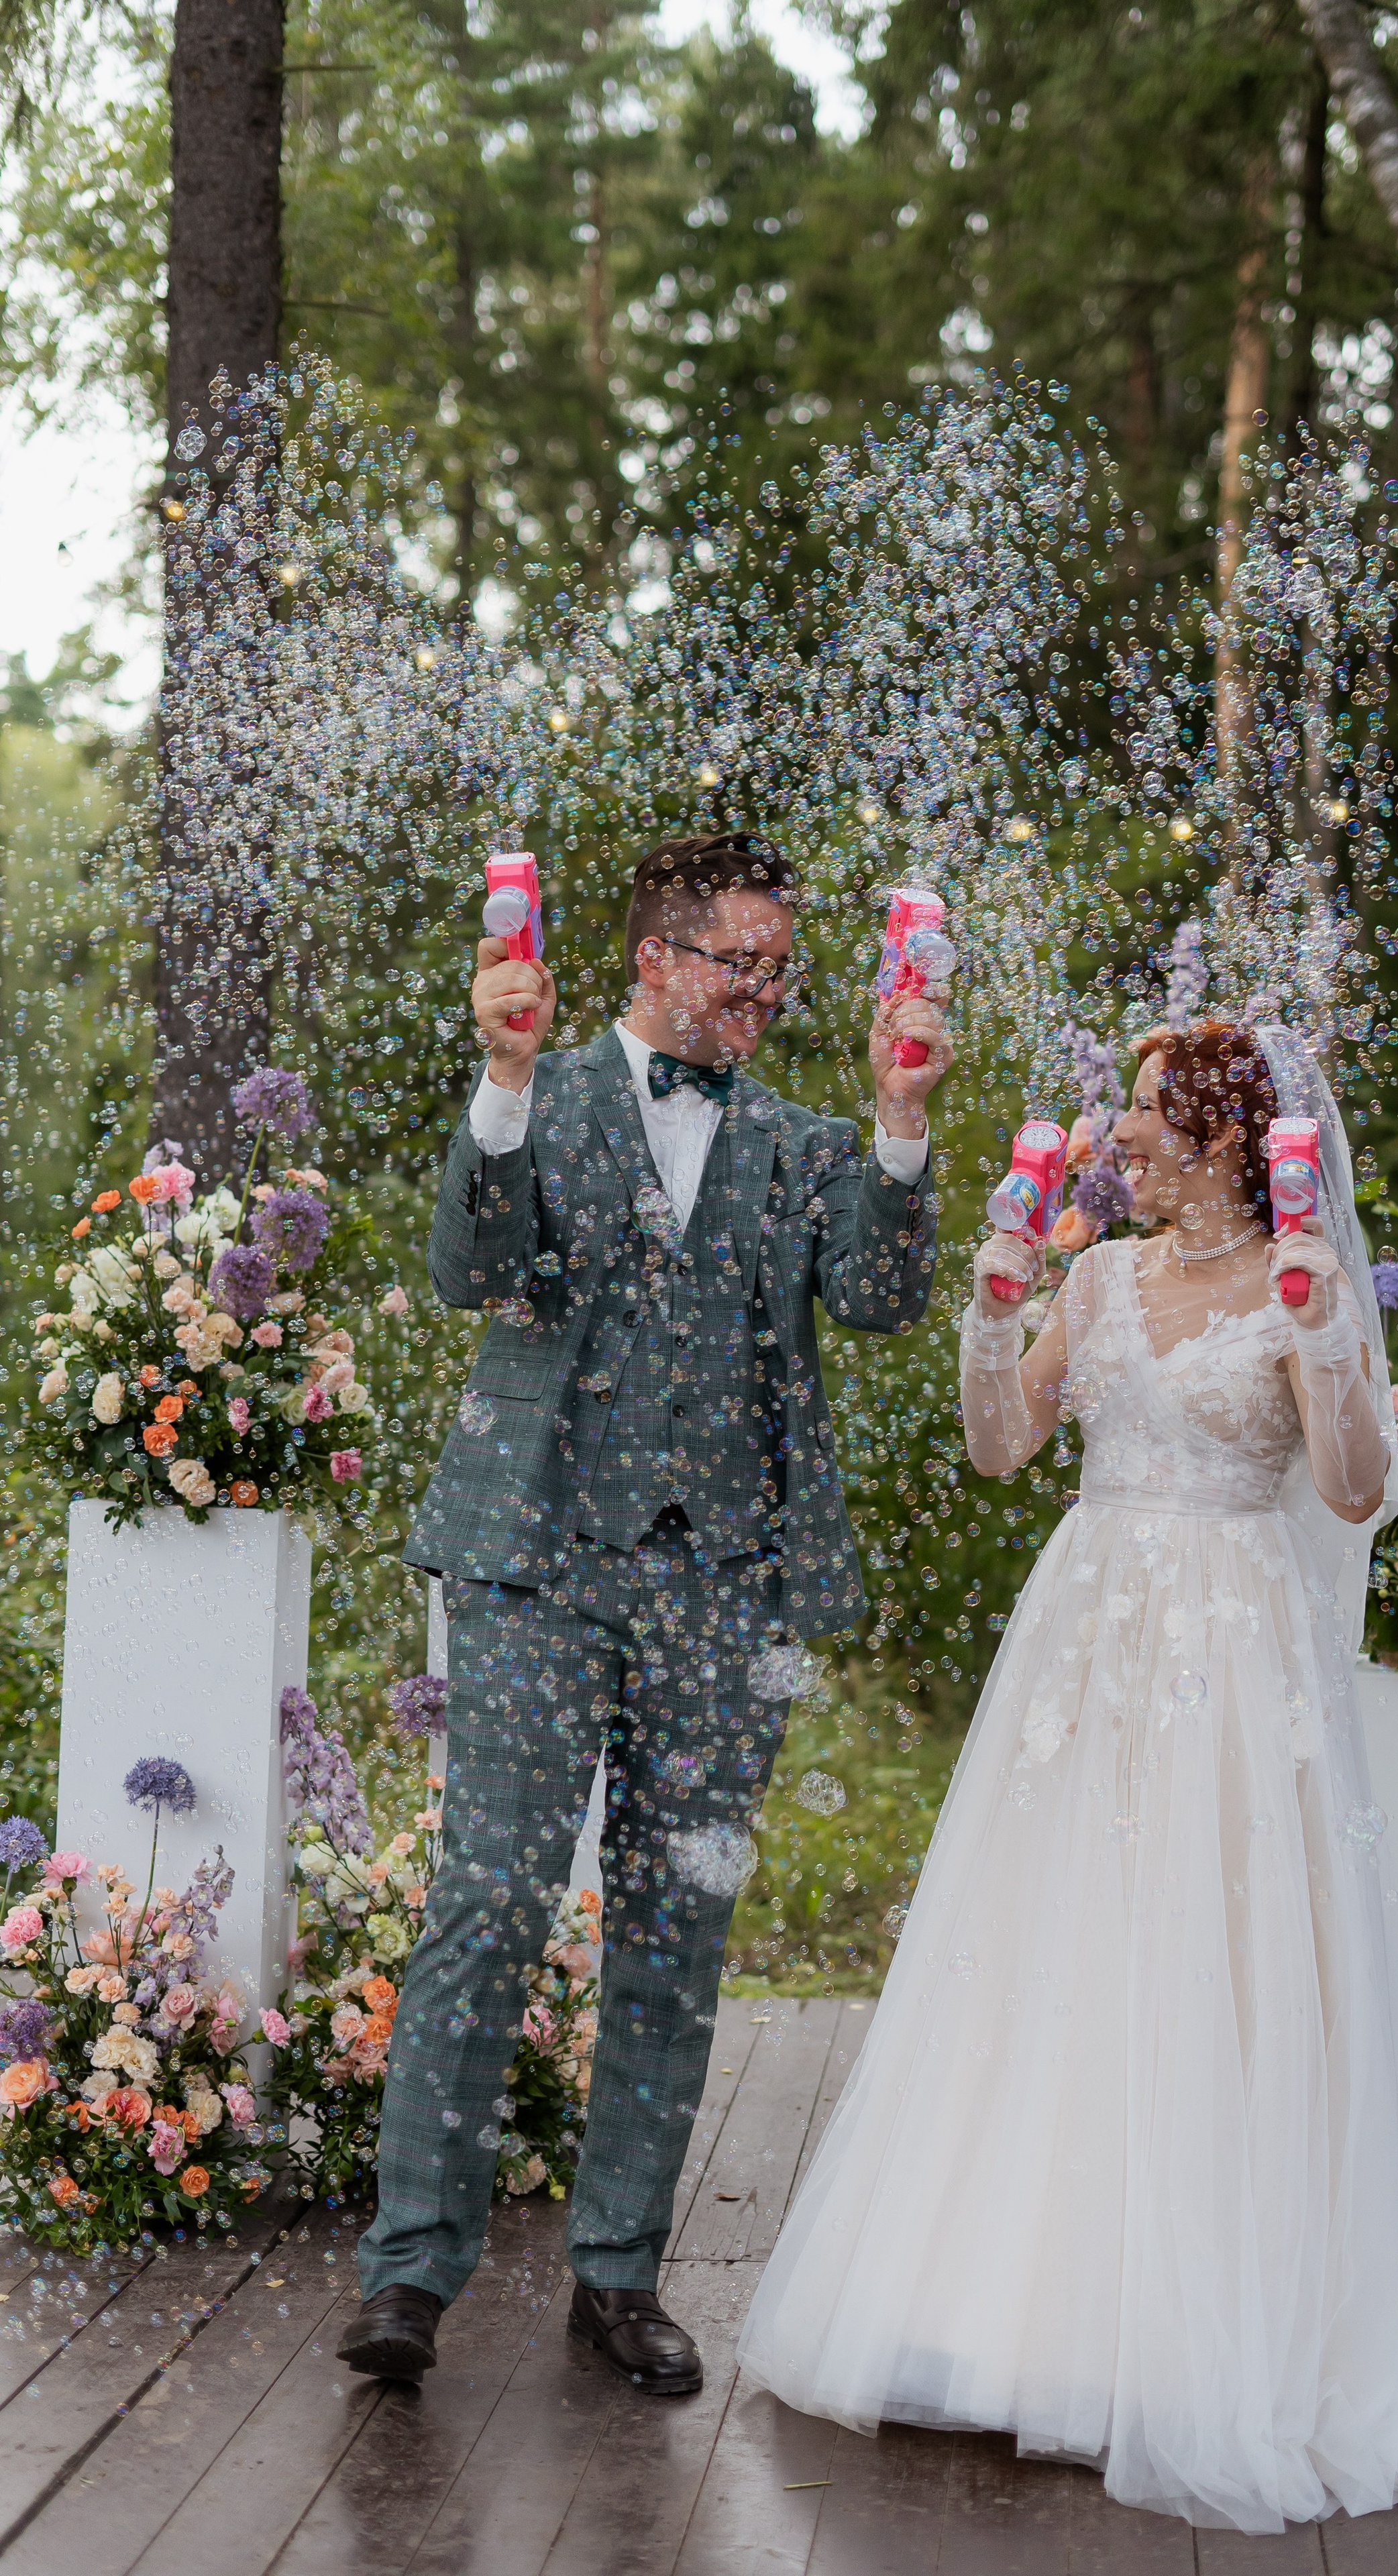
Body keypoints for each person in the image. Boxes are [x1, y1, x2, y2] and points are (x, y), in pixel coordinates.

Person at [738, 1018, 1398, 2543]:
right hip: (1085, 1633)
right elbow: (998, 1449)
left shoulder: (1297, 1279)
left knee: (1212, 1944)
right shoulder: (1096, 1275)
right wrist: (991, 1316)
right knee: (1053, 1936)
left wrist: (1315, 1329)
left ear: (1228, 1138)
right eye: (1120, 1107)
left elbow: (1354, 1489)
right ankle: (1019, 2303)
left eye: (1146, 1111)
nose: (1116, 1132)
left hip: (1235, 1654)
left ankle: (1207, 2312)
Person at [341, 830, 949, 2392]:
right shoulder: (537, 1099)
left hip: (727, 1585)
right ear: (652, 958)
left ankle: (618, 2279)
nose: (759, 995)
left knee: (676, 1940)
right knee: (484, 1910)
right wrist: (494, 1078)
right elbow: (469, 1269)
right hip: (538, 1567)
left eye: (776, 969)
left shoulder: (807, 1142)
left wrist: (897, 1125)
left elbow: (880, 1302)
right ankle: (409, 2274)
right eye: (734, 963)